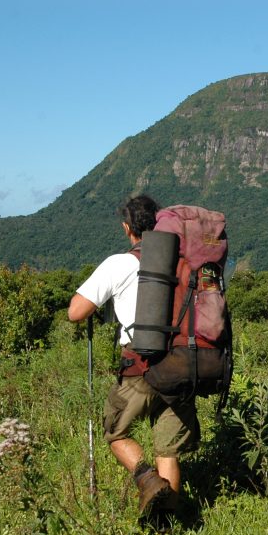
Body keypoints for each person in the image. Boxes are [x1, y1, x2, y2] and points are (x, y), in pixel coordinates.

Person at [68, 194, 200, 518]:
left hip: (141, 369)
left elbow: (76, 311)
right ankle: (167, 526)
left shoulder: (120, 263)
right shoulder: (181, 263)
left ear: (128, 228)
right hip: (182, 366)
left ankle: (147, 480)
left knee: (115, 432)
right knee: (167, 449)